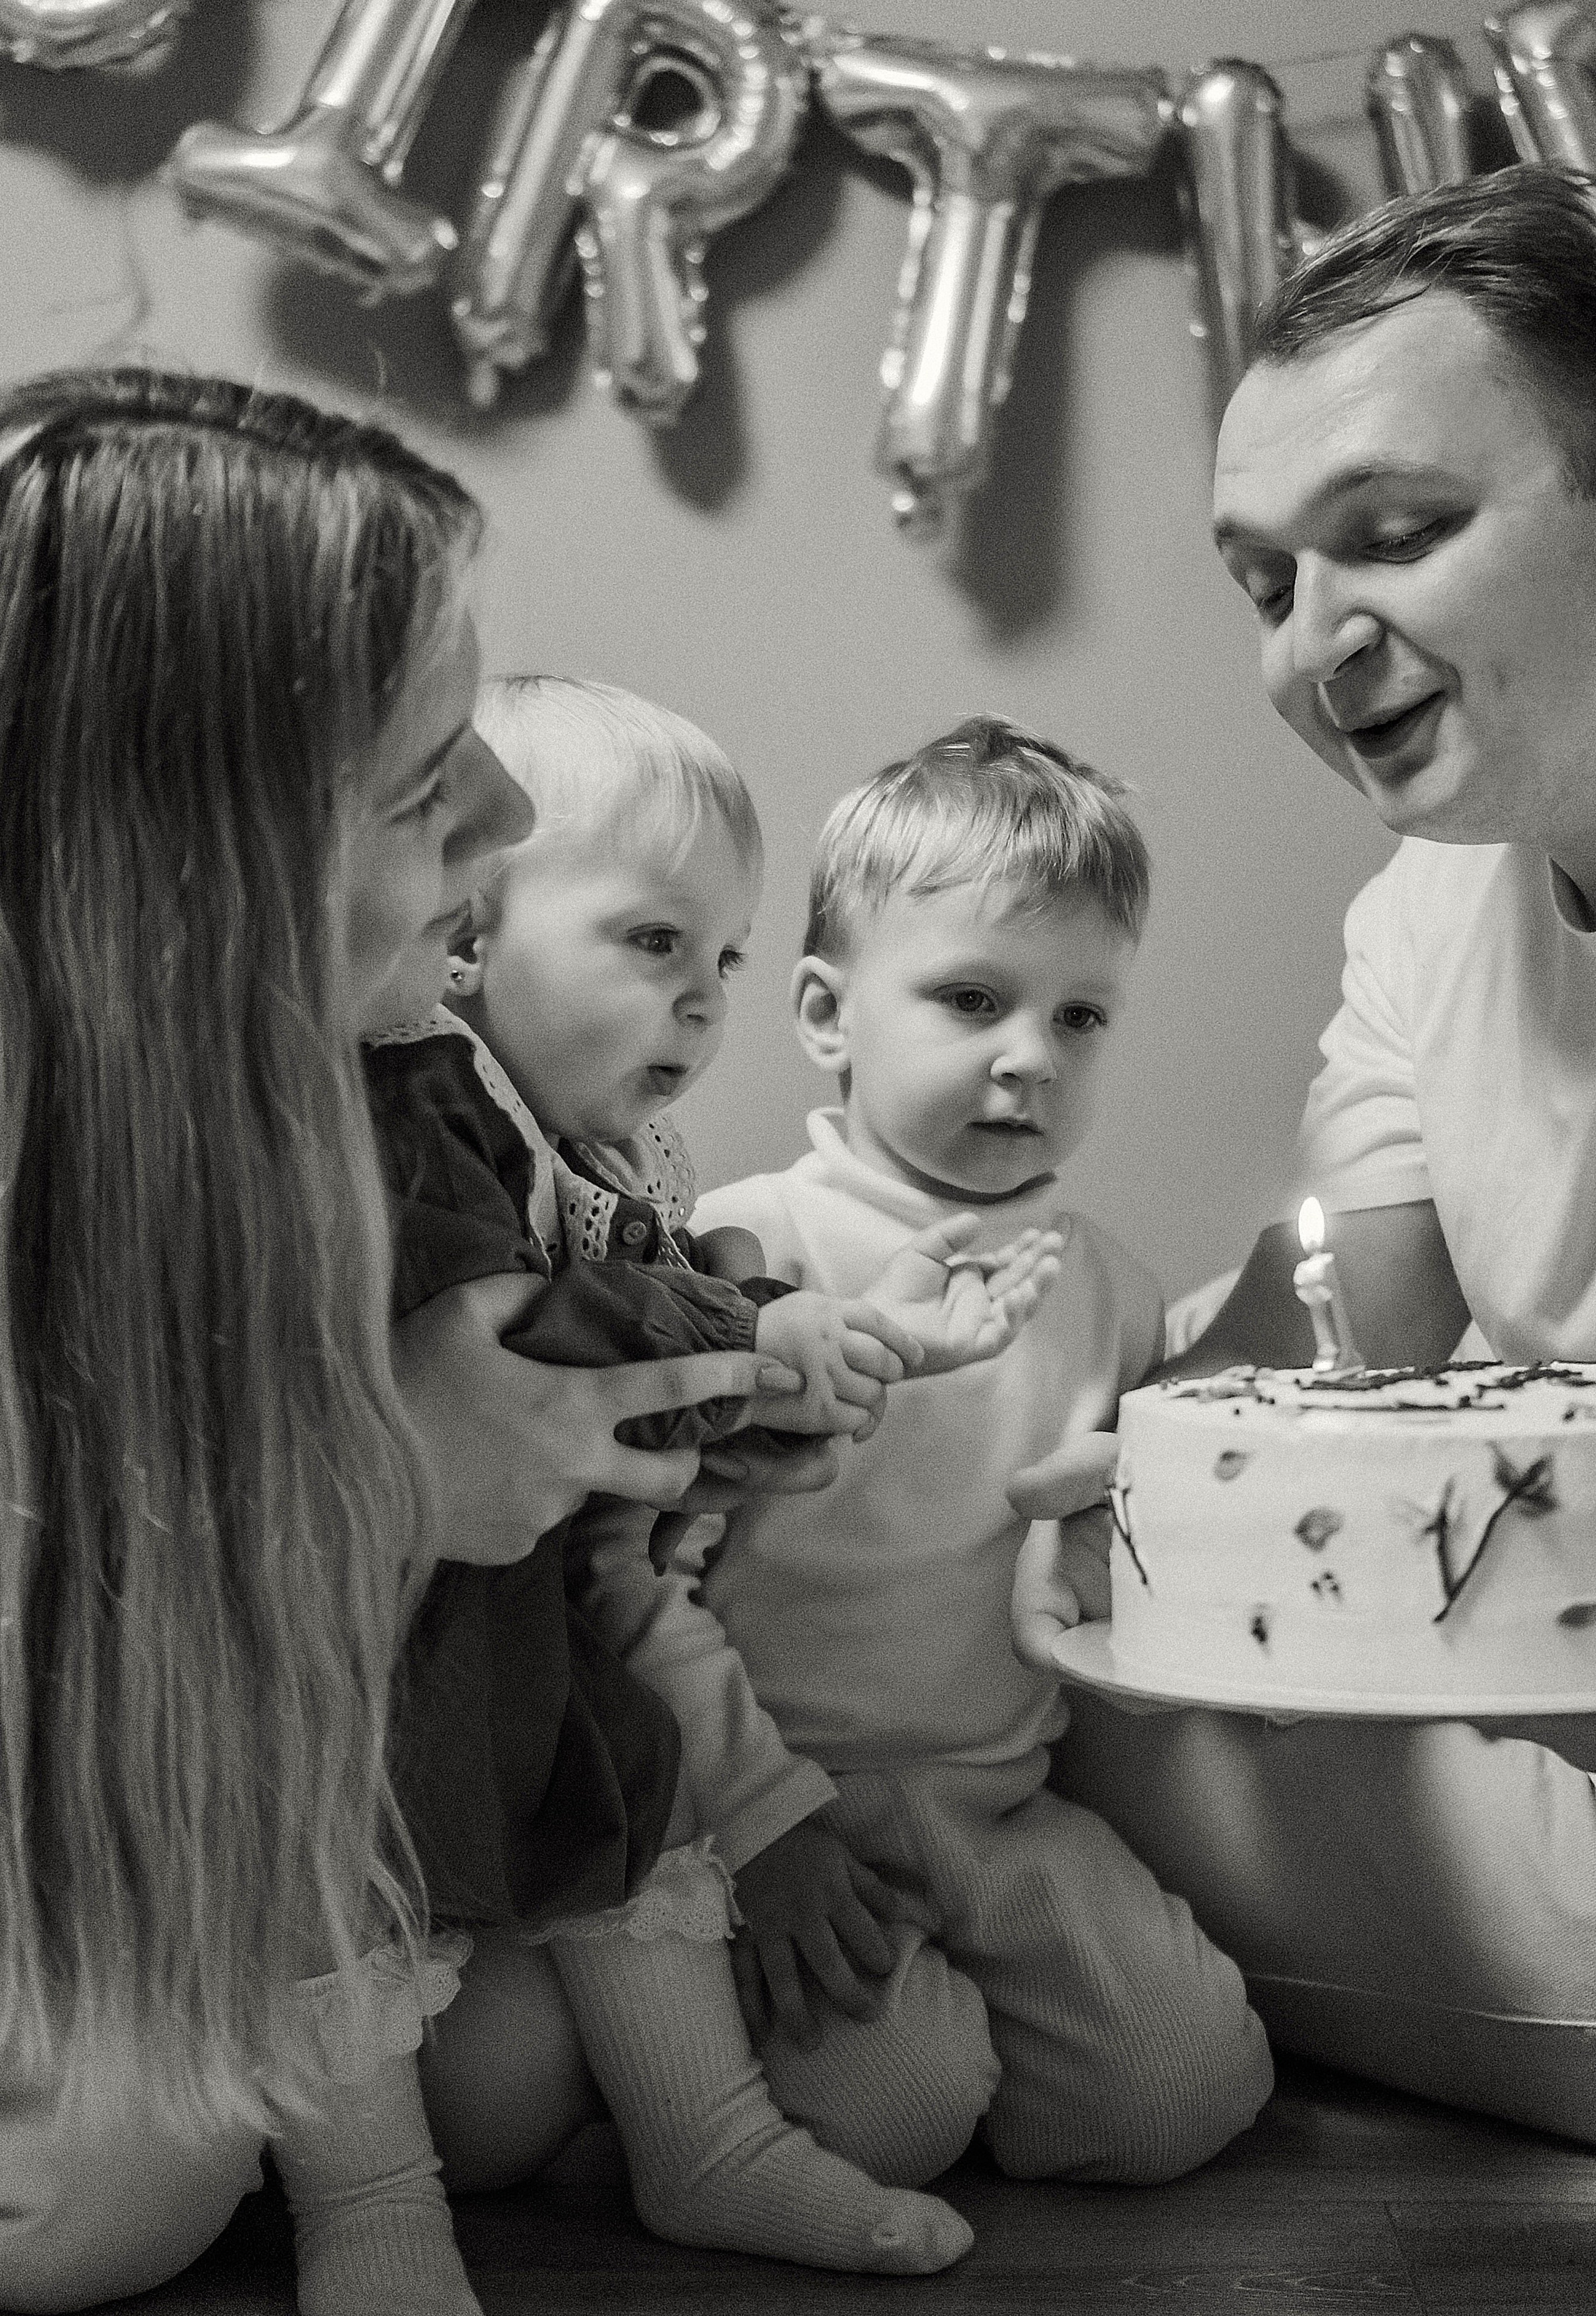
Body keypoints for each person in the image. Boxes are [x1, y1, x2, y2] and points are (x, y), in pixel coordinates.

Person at [0, 371, 782, 2316]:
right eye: (426, 775)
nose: (506, 820)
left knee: (499, 2068)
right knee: (115, 2189)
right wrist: (382, 1490)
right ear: (192, 843)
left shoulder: (271, 1121)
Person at [360, 674, 1081, 2275]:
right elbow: (532, 1345)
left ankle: (710, 2146)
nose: (702, 1002)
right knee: (359, 1951)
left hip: (541, 1667)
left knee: (639, 1824)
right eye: (651, 942)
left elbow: (658, 1432)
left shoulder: (602, 1162)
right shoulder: (423, 1109)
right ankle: (373, 2213)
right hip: (378, 1673)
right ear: (468, 935)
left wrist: (811, 1371)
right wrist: (765, 1333)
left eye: (722, 958)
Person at [1026, 163, 1596, 2141]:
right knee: (1023, 1679)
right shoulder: (1431, 911)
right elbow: (1349, 1331)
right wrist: (1160, 1461)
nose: (1314, 649)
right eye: (1268, 583)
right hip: (1545, 1666)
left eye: (1398, 535)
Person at [582, 717, 1275, 2188]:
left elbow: (1112, 1550)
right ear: (827, 1014)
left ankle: (957, 2048)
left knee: (1180, 2097)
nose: (1030, 1057)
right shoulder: (754, 1253)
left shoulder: (1107, 1285)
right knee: (892, 2113)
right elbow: (635, 1582)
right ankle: (667, 2069)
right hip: (773, 1801)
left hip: (1001, 1801)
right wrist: (755, 1830)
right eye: (972, 999)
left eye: (1080, 1017)